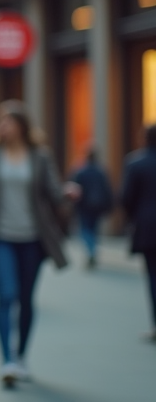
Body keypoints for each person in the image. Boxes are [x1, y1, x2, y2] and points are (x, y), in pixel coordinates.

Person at [0, 100, 77, 388]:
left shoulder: (39, 157)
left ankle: (21, 356)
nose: (2, 126)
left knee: (26, 300)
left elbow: (53, 192)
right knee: (7, 294)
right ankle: (7, 359)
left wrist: (67, 194)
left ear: (21, 125)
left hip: (32, 238)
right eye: (0, 121)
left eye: (8, 121)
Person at [122, 123, 156, 342]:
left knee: (153, 276)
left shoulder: (136, 163)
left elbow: (127, 197)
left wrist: (133, 218)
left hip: (147, 227)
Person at [71, 147, 114, 268]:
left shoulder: (80, 171)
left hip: (84, 205)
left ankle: (91, 251)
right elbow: (107, 189)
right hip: (97, 205)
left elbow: (74, 188)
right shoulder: (101, 171)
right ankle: (92, 250)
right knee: (93, 229)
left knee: (85, 229)